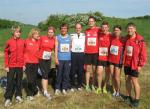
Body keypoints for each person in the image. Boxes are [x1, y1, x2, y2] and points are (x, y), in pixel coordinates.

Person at [123, 22, 147, 107]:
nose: (129, 30)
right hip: (127, 63)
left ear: (135, 29)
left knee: (134, 81)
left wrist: (140, 65)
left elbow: (143, 54)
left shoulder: (140, 39)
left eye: (131, 28)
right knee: (127, 80)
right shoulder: (126, 38)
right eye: (128, 28)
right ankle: (128, 96)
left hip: (135, 64)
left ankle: (136, 100)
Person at [4, 26, 25, 107]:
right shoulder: (9, 42)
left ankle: (18, 95)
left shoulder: (22, 42)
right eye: (17, 32)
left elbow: (24, 53)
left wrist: (23, 64)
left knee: (19, 81)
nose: (18, 33)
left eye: (19, 32)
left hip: (20, 65)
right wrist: (6, 65)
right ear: (13, 32)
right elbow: (6, 53)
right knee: (10, 82)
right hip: (11, 65)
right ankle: (8, 98)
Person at [84, 16, 101, 92]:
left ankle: (93, 85)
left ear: (94, 22)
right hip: (87, 53)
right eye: (89, 21)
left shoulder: (98, 30)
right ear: (88, 22)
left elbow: (106, 32)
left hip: (95, 53)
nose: (90, 22)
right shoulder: (86, 31)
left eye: (92, 21)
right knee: (88, 70)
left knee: (94, 70)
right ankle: (87, 85)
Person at [38, 26, 55, 99]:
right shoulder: (42, 38)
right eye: (49, 32)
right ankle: (45, 91)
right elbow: (36, 46)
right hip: (41, 58)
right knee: (44, 74)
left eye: (52, 32)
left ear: (54, 33)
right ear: (47, 32)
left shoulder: (54, 40)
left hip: (48, 59)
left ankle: (39, 86)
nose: (50, 33)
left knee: (46, 73)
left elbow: (54, 49)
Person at [55, 23, 71, 95]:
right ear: (60, 29)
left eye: (65, 28)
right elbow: (56, 49)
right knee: (59, 74)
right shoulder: (57, 37)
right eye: (62, 28)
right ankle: (57, 88)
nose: (63, 29)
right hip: (60, 59)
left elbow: (70, 48)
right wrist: (56, 58)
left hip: (67, 59)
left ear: (67, 29)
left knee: (66, 74)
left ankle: (64, 88)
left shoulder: (70, 37)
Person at [108, 25, 124, 97]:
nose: (116, 31)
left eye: (117, 30)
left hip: (118, 61)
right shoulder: (112, 38)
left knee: (117, 77)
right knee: (112, 75)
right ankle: (114, 90)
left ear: (120, 31)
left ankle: (118, 91)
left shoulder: (123, 39)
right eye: (115, 30)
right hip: (111, 60)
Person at [24, 28, 40, 100]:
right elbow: (23, 52)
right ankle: (36, 90)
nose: (37, 35)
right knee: (30, 80)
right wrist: (23, 64)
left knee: (33, 79)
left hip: (36, 63)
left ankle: (30, 95)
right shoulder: (26, 41)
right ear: (32, 34)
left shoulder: (38, 42)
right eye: (36, 33)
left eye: (38, 34)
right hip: (28, 63)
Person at [97, 21, 111, 94]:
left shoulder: (111, 35)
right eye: (103, 27)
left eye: (106, 27)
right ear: (101, 28)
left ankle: (104, 87)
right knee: (99, 73)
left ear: (108, 28)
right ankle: (99, 87)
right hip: (100, 57)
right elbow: (95, 28)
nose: (104, 29)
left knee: (107, 74)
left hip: (108, 58)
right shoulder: (99, 34)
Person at [70, 23, 85, 91]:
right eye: (76, 28)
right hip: (73, 54)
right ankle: (72, 85)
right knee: (73, 70)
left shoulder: (84, 35)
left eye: (79, 28)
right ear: (75, 29)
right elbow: (69, 44)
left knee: (80, 70)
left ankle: (79, 85)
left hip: (81, 54)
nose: (78, 29)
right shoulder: (72, 36)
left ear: (81, 28)